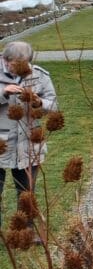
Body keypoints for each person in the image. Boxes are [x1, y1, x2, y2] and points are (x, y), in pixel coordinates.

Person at [0, 41, 57, 222]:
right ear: (5, 59)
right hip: (1, 141)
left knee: (27, 192)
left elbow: (54, 105)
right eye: (16, 65)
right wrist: (3, 93)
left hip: (29, 143)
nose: (21, 69)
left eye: (25, 65)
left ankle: (25, 233)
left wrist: (40, 103)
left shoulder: (40, 75)